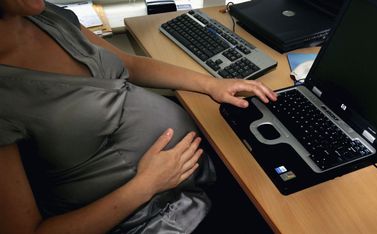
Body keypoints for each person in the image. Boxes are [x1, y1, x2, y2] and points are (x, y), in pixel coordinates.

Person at [0, 0, 276, 233]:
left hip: (191, 177)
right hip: (150, 218)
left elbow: (127, 63)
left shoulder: (45, 15)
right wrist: (145, 185)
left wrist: (211, 84)